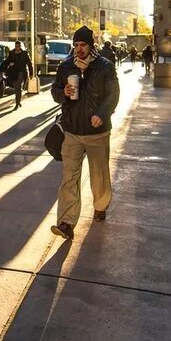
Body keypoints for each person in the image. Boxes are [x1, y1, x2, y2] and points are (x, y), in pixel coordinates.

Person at [49, 26, 120, 241]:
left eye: (83, 45)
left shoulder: (104, 66)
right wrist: (63, 93)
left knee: (99, 176)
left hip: (97, 132)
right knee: (69, 178)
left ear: (91, 45)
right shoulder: (66, 66)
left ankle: (100, 206)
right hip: (71, 131)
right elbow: (55, 92)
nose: (79, 49)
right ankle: (67, 223)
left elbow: (113, 94)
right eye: (76, 45)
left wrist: (102, 113)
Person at [0, 40, 34, 110]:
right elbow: (6, 62)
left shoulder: (24, 54)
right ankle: (18, 101)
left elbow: (29, 64)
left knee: (17, 86)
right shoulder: (11, 53)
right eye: (16, 46)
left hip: (21, 72)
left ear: (20, 46)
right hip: (13, 73)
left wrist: (31, 74)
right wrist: (1, 69)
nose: (17, 48)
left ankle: (17, 103)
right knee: (17, 88)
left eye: (18, 46)